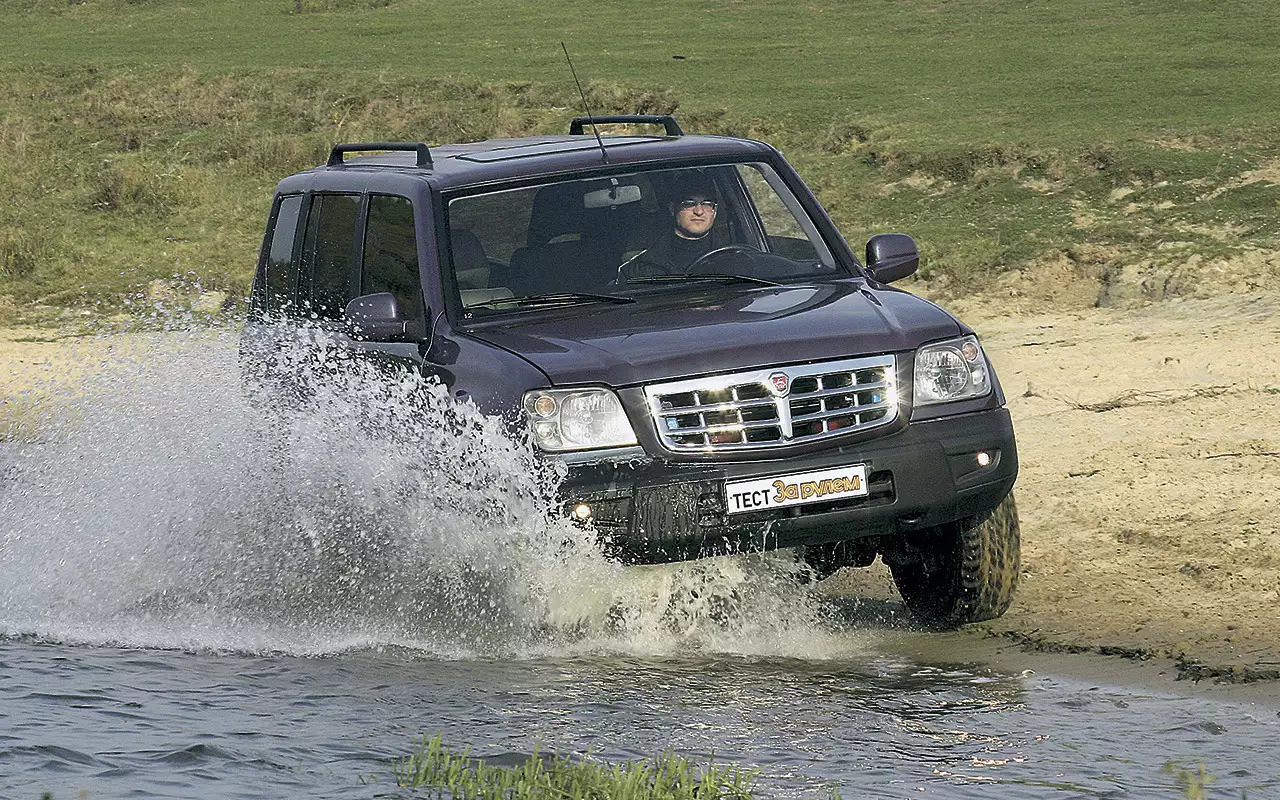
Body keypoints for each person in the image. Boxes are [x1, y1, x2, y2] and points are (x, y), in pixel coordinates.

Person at [621, 172, 725, 278]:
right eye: (689, 203)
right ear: (672, 209)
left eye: (707, 204)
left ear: (715, 211)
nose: (699, 211)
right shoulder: (639, 270)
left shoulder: (735, 257)